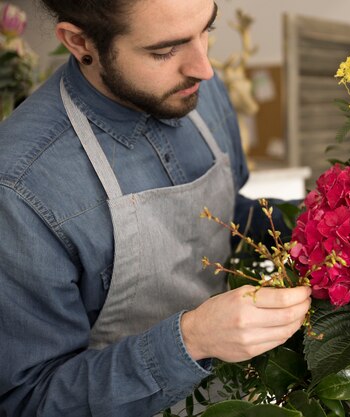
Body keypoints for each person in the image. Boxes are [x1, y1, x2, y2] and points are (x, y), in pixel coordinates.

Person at [0, 0, 311, 415]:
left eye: (206, 31)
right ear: (79, 42)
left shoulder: (198, 91)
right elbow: (28, 401)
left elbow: (222, 211)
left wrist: (325, 222)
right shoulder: (21, 188)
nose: (205, 68)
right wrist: (192, 340)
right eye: (165, 51)